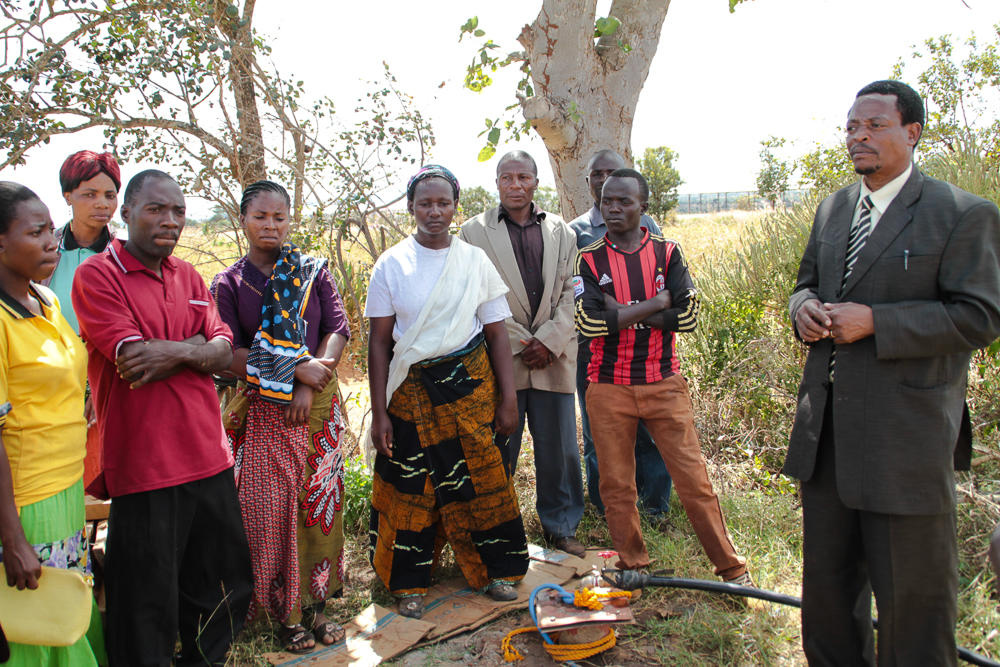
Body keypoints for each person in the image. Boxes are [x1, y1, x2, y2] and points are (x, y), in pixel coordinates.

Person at [786, 80, 1000, 666]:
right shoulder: (834, 209)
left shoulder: (962, 214)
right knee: (827, 597)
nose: (859, 136)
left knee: (914, 602)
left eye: (874, 125)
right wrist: (802, 308)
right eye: (852, 126)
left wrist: (877, 321)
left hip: (905, 440)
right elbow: (806, 282)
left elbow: (979, 317)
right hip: (826, 435)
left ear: (912, 132)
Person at [72, 170, 252, 666]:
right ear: (126, 213)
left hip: (208, 456)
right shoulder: (98, 276)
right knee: (145, 602)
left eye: (177, 211)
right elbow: (133, 360)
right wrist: (196, 347)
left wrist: (175, 351)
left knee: (221, 584)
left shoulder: (191, 276)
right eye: (155, 209)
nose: (169, 221)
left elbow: (223, 353)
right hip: (146, 465)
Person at [366, 165, 529, 620]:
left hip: (469, 393)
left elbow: (497, 335)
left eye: (443, 203)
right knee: (411, 491)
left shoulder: (473, 261)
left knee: (484, 479)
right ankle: (409, 584)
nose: (434, 212)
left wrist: (508, 399)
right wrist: (379, 414)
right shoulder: (392, 264)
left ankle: (500, 572)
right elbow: (379, 343)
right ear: (411, 207)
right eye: (425, 203)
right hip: (410, 396)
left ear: (456, 206)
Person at [575, 169, 749, 583]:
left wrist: (622, 312)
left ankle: (732, 569)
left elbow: (687, 316)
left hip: (664, 383)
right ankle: (633, 565)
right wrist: (656, 303)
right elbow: (589, 323)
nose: (613, 208)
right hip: (608, 386)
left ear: (643, 207)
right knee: (616, 486)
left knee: (694, 482)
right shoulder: (589, 259)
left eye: (624, 201)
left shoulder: (669, 253)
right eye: (606, 201)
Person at [211, 180, 349, 653]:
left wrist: (316, 376)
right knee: (268, 514)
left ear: (291, 220)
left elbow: (337, 328)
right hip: (266, 413)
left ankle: (316, 606)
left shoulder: (311, 271)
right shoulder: (228, 284)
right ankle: (281, 614)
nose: (271, 225)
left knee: (317, 510)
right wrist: (292, 373)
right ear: (243, 219)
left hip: (318, 410)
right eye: (261, 217)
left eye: (280, 217)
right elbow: (228, 354)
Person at [459, 150, 586, 558]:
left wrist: (549, 340)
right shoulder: (472, 233)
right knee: (499, 447)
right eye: (507, 178)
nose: (516, 185)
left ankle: (561, 526)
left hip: (553, 356)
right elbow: (472, 296)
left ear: (536, 182)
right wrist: (521, 341)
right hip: (503, 359)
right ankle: (497, 530)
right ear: (496, 183)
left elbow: (573, 290)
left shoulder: (562, 232)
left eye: (524, 177)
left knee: (561, 449)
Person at [0, 182, 104, 665]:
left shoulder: (47, 301)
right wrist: (13, 539)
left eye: (49, 230)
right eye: (36, 232)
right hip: (25, 499)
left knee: (66, 605)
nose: (51, 242)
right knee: (36, 623)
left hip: (65, 486)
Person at [569, 149, 673, 518]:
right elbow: (584, 297)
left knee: (650, 430)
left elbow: (662, 285)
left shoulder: (650, 226)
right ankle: (606, 509)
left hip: (646, 349)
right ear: (588, 183)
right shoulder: (575, 233)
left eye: (612, 172)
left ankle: (655, 506)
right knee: (600, 434)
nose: (603, 179)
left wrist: (635, 309)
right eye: (597, 174)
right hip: (595, 352)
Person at [43, 150, 121, 489]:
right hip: (47, 384)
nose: (101, 204)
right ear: (68, 196)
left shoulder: (124, 257)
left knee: (100, 481)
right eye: (89, 194)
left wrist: (99, 386)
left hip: (105, 383)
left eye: (109, 195)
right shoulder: (43, 251)